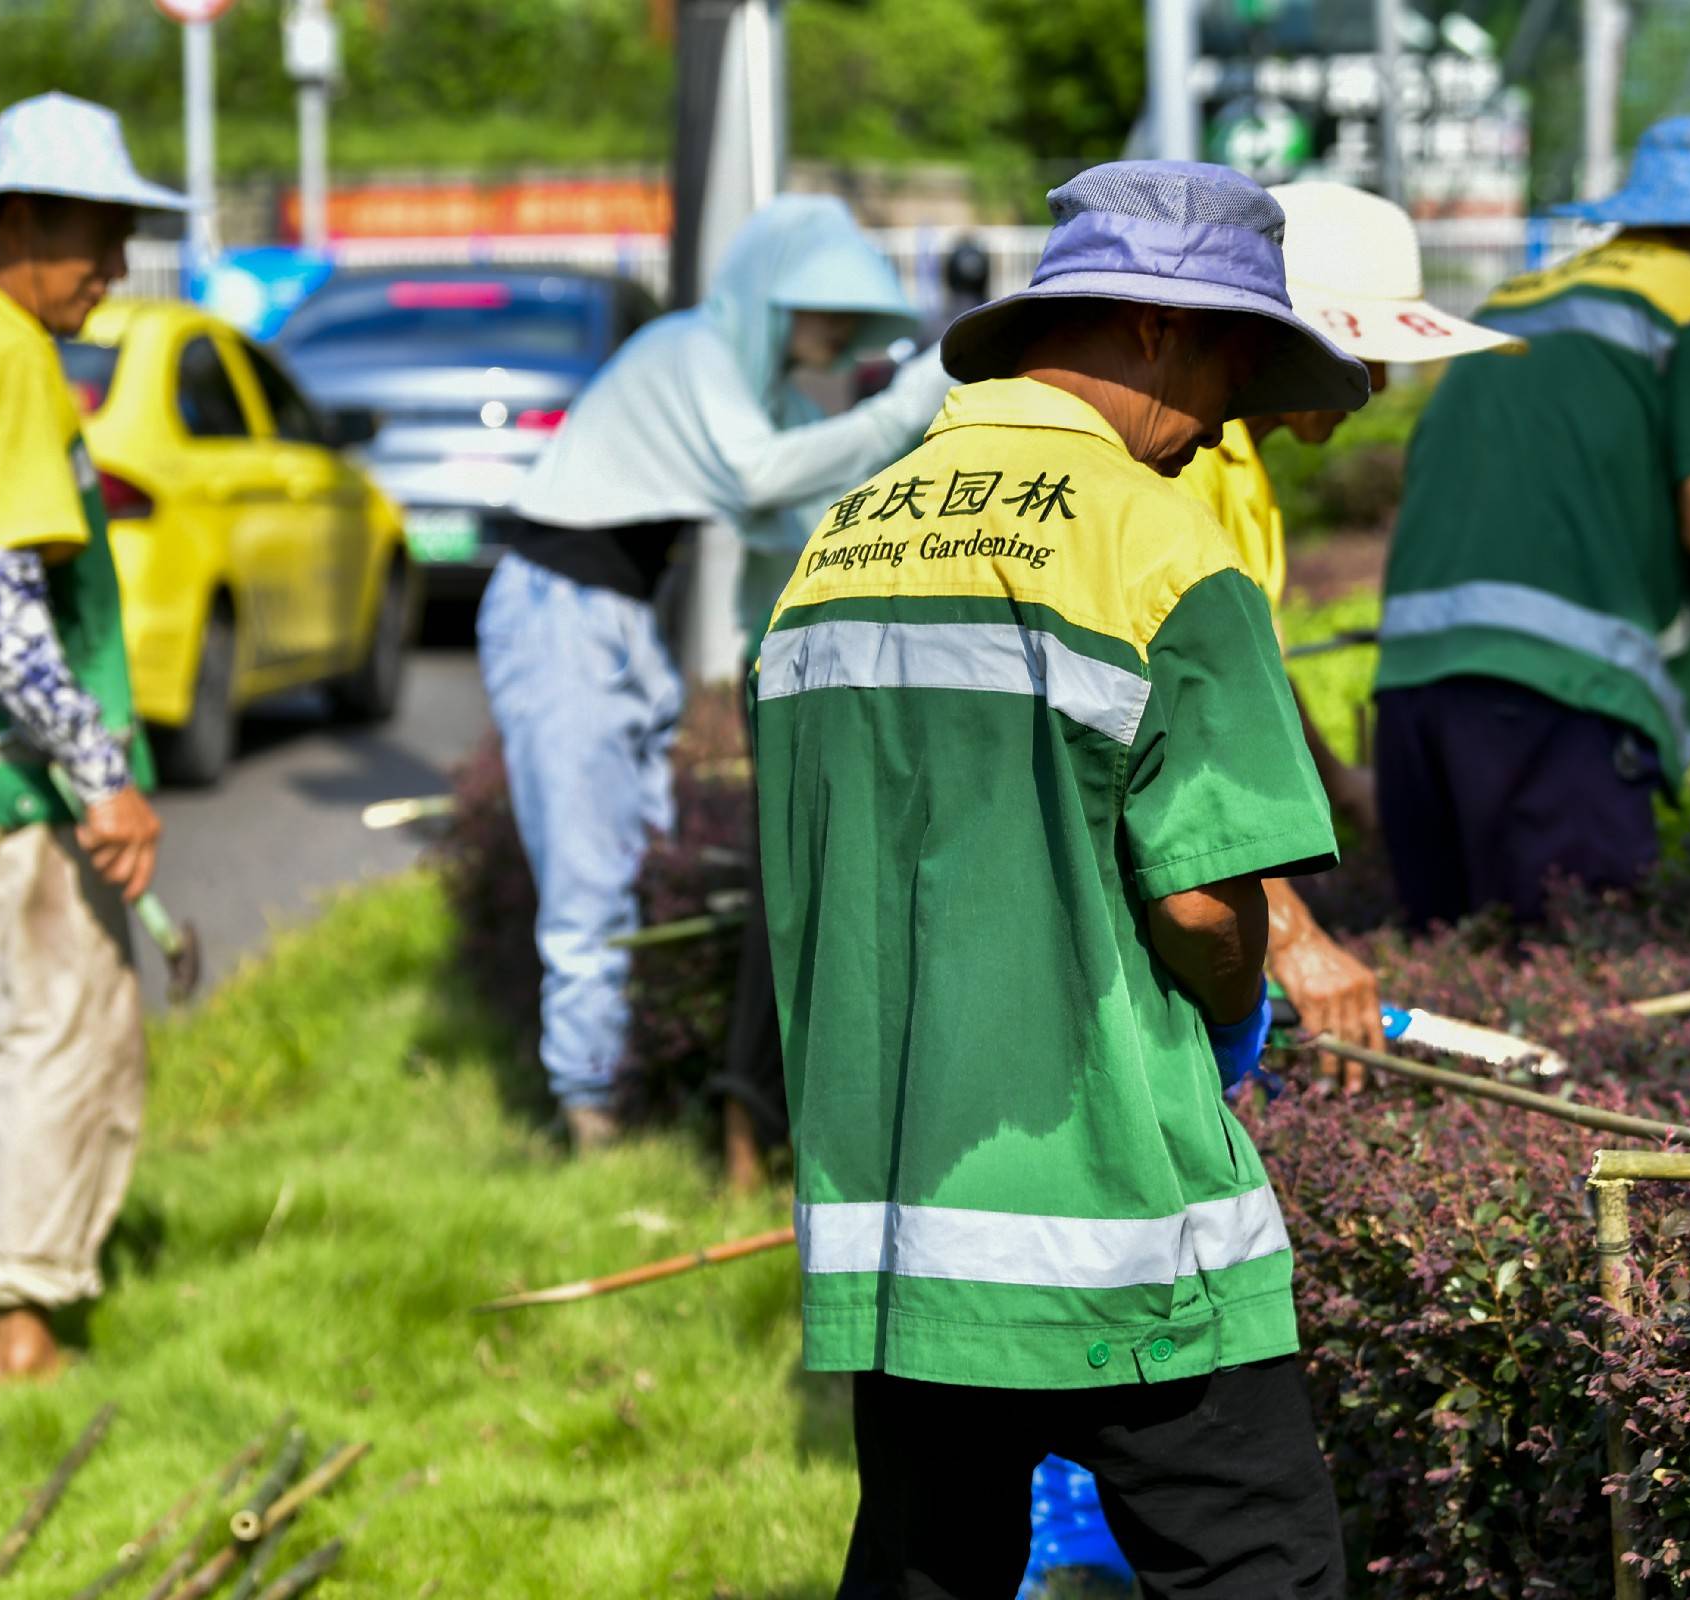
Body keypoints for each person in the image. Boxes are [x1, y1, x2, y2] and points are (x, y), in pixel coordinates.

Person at [756, 160, 1367, 1597]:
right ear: (1154, 328)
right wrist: (1231, 1016)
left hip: (903, 1208)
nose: (1227, 411)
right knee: (1265, 1567)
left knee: (926, 1572)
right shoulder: (1160, 545)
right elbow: (1207, 903)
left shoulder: (840, 543)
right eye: (1233, 352)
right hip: (1120, 1206)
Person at [487, 195, 949, 1154]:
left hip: (614, 615)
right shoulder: (693, 352)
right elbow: (761, 482)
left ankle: (619, 1093)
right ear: (769, 298)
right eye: (818, 313)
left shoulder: (750, 382)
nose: (831, 337)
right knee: (589, 876)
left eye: (844, 320)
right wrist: (900, 410)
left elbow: (796, 518)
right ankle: (589, 1119)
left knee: (639, 847)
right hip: (559, 610)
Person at [1374, 116, 1690, 927]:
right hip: (1552, 721)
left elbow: (1544, 548)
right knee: (1581, 996)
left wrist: (1670, 707)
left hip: (1414, 694)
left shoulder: (1518, 301)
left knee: (1452, 984)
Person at [1176, 179, 1518, 1089]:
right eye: (1366, 352)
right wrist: (1292, 934)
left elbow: (1245, 676)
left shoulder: (1237, 464)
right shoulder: (1178, 467)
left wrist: (1334, 785)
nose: (1385, 383)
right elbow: (1176, 725)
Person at [0, 93, 174, 1382]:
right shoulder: (2, 350)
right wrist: (104, 780)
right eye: (99, 233)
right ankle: (24, 1332)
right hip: (9, 792)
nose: (116, 266)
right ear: (20, 221)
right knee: (56, 1038)